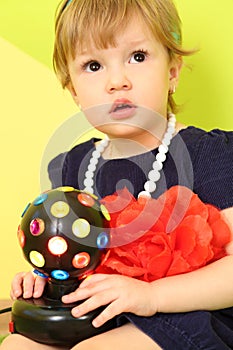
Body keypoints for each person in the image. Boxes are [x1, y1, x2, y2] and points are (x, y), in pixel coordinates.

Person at [2, 0, 233, 349]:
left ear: (173, 72)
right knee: (18, 345)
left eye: (137, 57)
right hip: (101, 314)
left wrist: (151, 296)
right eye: (93, 65)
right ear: (74, 91)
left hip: (186, 314)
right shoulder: (70, 167)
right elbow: (68, 257)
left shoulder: (209, 154)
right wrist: (46, 280)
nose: (117, 81)